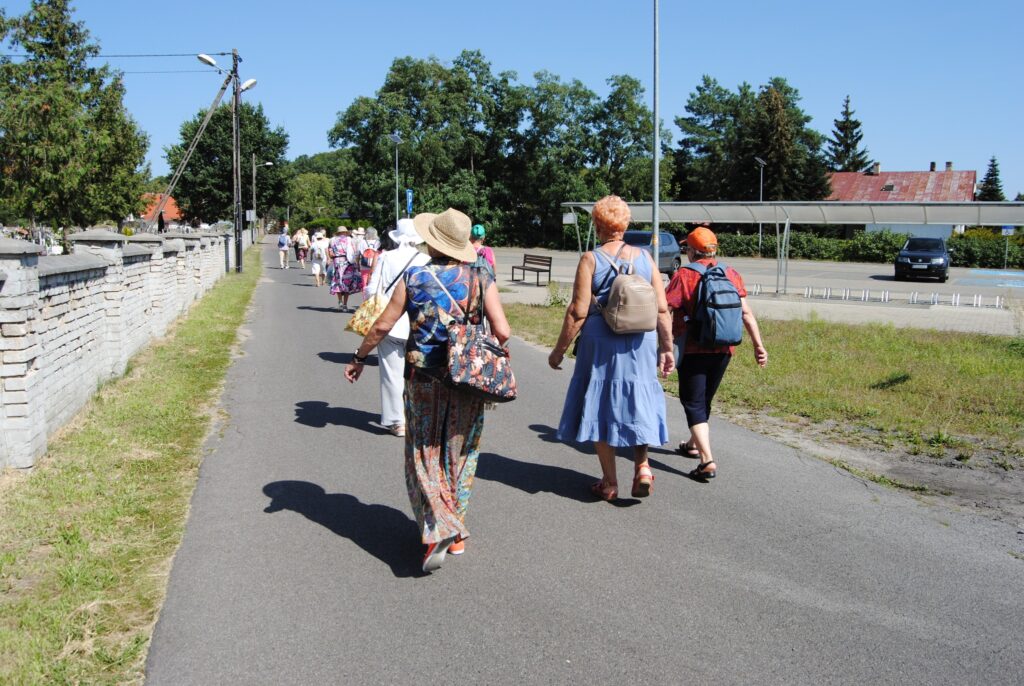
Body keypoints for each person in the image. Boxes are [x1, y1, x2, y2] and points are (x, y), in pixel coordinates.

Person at [344, 208, 510, 573]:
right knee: (461, 452)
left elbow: (382, 324)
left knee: (424, 453)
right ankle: (458, 535)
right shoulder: (482, 274)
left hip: (424, 380)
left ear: (432, 240)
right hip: (467, 379)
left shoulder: (416, 276)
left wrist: (359, 357)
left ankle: (439, 528)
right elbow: (504, 329)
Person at [548, 195, 674, 501]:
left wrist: (559, 350)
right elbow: (661, 308)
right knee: (638, 400)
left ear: (597, 225)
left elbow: (578, 311)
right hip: (640, 342)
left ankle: (610, 481)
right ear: (626, 224)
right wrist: (667, 347)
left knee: (600, 404)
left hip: (600, 341)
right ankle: (642, 465)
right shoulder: (646, 258)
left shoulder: (590, 259)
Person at [664, 226, 768, 480]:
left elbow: (664, 309)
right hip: (725, 347)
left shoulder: (684, 276)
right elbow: (745, 313)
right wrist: (758, 345)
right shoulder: (730, 273)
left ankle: (707, 460)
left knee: (693, 401)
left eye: (686, 247)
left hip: (693, 348)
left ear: (691, 251)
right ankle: (692, 444)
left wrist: (664, 346)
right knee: (704, 398)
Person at [363, 219, 430, 436]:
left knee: (392, 373)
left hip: (391, 324)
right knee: (419, 374)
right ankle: (419, 416)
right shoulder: (426, 260)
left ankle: (396, 420)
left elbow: (372, 289)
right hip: (419, 326)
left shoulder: (386, 257)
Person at [328, 226, 362, 311]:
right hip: (348, 263)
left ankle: (340, 302)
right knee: (347, 283)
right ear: (346, 232)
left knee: (338, 282)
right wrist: (357, 264)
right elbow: (354, 252)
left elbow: (330, 253)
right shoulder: (350, 240)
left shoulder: (332, 240)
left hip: (337, 262)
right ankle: (345, 304)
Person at [359, 227, 381, 291]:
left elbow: (358, 254)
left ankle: (365, 299)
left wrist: (357, 264)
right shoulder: (378, 242)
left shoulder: (362, 242)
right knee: (375, 284)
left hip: (364, 265)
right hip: (375, 265)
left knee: (364, 285)